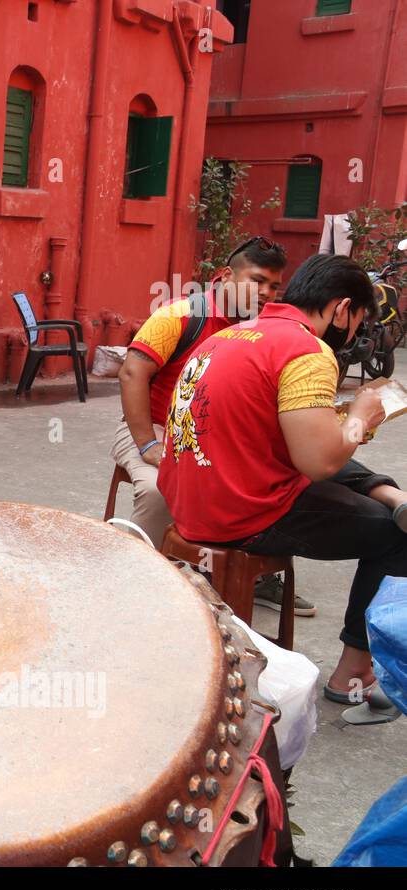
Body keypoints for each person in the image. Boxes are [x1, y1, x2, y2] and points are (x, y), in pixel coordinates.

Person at [158, 253, 407, 705]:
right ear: (341, 308)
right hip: (240, 512)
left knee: (349, 470)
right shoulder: (308, 350)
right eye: (357, 321)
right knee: (395, 537)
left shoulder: (232, 335)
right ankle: (355, 672)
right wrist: (359, 416)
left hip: (191, 496)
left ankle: (391, 493)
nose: (354, 333)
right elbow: (319, 463)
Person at [113, 237, 313, 615]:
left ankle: (256, 576)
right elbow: (131, 373)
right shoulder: (179, 315)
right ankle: (131, 575)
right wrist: (146, 445)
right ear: (225, 276)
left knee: (280, 481)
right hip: (154, 427)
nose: (266, 293)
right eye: (257, 281)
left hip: (216, 435)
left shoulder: (266, 329)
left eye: (274, 286)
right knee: (161, 490)